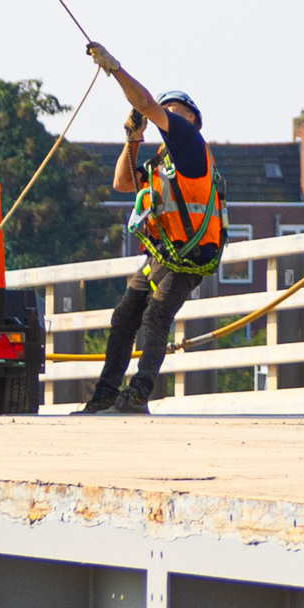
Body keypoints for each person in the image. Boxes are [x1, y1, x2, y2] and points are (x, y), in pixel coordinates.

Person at [81, 67, 222, 416]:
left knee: (156, 316)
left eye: (175, 109)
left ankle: (138, 394)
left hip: (189, 256)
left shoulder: (190, 144)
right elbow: (122, 183)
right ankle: (106, 394)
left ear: (192, 119)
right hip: (162, 255)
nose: (167, 112)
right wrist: (132, 137)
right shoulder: (161, 162)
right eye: (166, 108)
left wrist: (114, 69)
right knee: (125, 316)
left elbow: (144, 100)